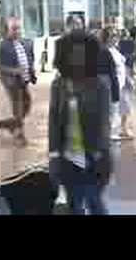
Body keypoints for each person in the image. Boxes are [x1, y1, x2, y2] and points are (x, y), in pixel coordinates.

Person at [49, 29, 112, 215]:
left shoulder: (100, 85)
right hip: (68, 157)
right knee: (74, 205)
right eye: (73, 54)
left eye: (81, 55)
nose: (77, 59)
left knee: (95, 202)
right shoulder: (58, 85)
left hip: (94, 156)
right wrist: (53, 155)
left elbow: (104, 121)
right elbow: (53, 121)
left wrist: (104, 153)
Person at [0, 18, 36, 147]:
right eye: (13, 29)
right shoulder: (3, 45)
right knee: (18, 108)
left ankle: (5, 124)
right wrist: (13, 71)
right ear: (8, 30)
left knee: (27, 105)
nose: (17, 31)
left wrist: (32, 73)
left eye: (19, 28)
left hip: (24, 81)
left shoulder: (28, 43)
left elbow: (30, 59)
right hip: (10, 81)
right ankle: (19, 136)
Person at [99, 27, 126, 142]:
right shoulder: (105, 51)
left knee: (114, 108)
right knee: (111, 109)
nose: (115, 38)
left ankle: (112, 131)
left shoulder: (114, 49)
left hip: (118, 83)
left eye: (116, 35)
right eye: (112, 36)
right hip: (110, 84)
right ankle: (110, 132)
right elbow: (110, 72)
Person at [119, 29, 136, 139]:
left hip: (125, 77)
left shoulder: (119, 49)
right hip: (125, 78)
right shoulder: (128, 53)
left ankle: (124, 127)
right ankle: (124, 128)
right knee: (126, 104)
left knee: (126, 104)